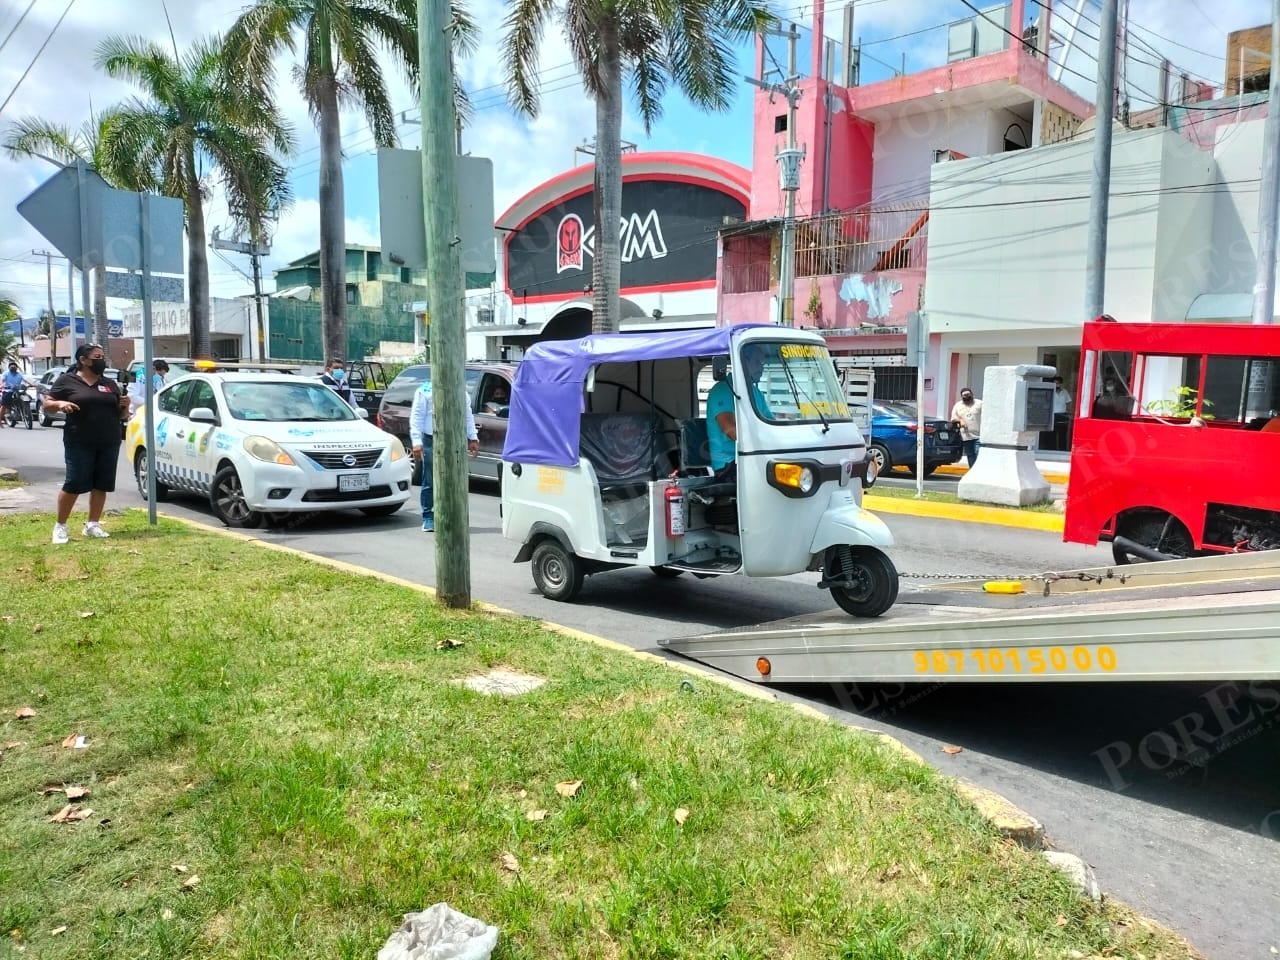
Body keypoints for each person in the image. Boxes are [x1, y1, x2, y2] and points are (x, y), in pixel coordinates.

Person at [46, 343, 131, 544]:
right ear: (83, 360)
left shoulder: (109, 384)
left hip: (109, 440)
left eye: (103, 356)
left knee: (102, 484)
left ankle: (92, 524)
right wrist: (60, 404)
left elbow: (120, 414)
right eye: (97, 357)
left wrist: (125, 407)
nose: (101, 360)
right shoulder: (67, 381)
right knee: (75, 482)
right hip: (79, 441)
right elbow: (48, 404)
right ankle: (61, 526)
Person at [409, 379, 479, 532]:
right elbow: (417, 417)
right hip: (430, 440)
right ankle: (428, 517)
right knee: (430, 479)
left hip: (454, 440)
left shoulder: (460, 391)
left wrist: (472, 437)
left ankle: (451, 516)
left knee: (454, 480)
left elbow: (467, 415)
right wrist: (416, 441)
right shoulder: (425, 391)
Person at [705, 343, 768, 481]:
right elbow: (731, 431)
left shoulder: (756, 393)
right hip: (729, 463)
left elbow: (770, 422)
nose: (762, 367)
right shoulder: (722, 390)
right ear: (743, 362)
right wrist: (767, 440)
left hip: (753, 457)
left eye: (763, 363)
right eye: (758, 362)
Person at [950, 387, 983, 467]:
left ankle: (978, 472)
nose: (966, 397)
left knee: (978, 454)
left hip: (979, 436)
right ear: (962, 397)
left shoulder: (980, 404)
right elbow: (953, 418)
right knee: (971, 456)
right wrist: (960, 420)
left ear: (972, 394)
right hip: (966, 437)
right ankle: (973, 474)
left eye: (968, 395)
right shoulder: (958, 405)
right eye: (964, 395)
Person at [2, 361, 26, 427]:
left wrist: (34, 384)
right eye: (11, 366)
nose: (13, 367)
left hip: (17, 391)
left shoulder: (19, 374)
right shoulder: (6, 374)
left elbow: (27, 379)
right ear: (9, 367)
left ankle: (25, 409)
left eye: (14, 365)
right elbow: (2, 380)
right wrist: (2, 385)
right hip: (8, 391)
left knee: (25, 395)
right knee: (4, 405)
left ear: (17, 367)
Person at [1052, 376, 1072, 450]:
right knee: (1052, 435)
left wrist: (1069, 414)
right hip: (1053, 415)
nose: (1056, 385)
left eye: (1057, 383)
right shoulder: (1051, 391)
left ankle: (1062, 450)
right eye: (1054, 383)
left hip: (1063, 415)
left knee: (1062, 435)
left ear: (1061, 384)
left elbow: (1068, 402)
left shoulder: (1065, 392)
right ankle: (1052, 450)